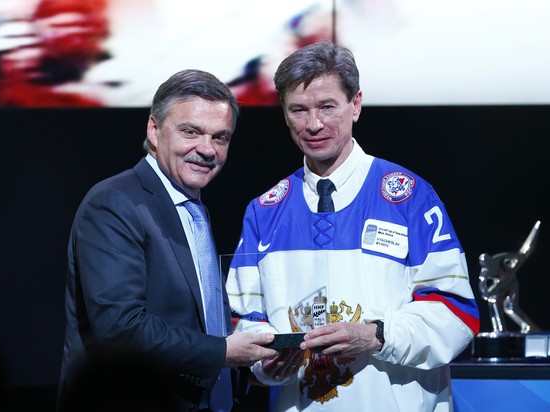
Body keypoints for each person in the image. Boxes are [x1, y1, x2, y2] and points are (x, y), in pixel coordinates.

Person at [225, 40, 480, 411]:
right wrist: (267, 364)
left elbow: (456, 310)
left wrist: (377, 336)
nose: (314, 124)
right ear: (284, 113)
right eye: (299, 109)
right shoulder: (264, 211)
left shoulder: (409, 196)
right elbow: (246, 321)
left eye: (328, 107)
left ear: (355, 104)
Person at [57, 69, 278, 412]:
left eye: (220, 137)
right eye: (191, 131)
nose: (207, 149)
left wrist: (249, 366)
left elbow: (200, 320)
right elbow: (120, 330)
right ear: (154, 130)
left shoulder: (194, 210)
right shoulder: (115, 202)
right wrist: (223, 353)